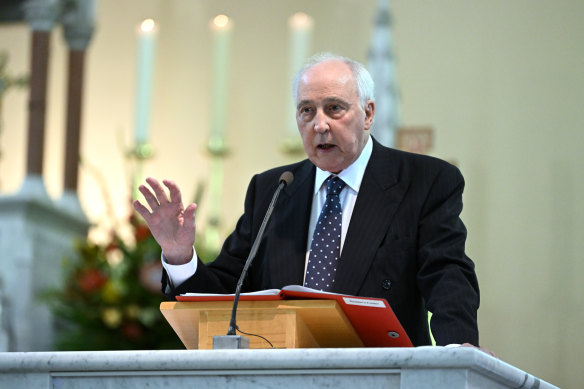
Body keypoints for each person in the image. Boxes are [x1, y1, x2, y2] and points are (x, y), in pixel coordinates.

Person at [133, 53, 481, 348]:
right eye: (307, 111)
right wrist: (179, 256)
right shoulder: (273, 189)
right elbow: (226, 296)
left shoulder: (424, 181)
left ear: (369, 114)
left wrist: (458, 350)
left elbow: (447, 274)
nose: (320, 125)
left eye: (334, 108)